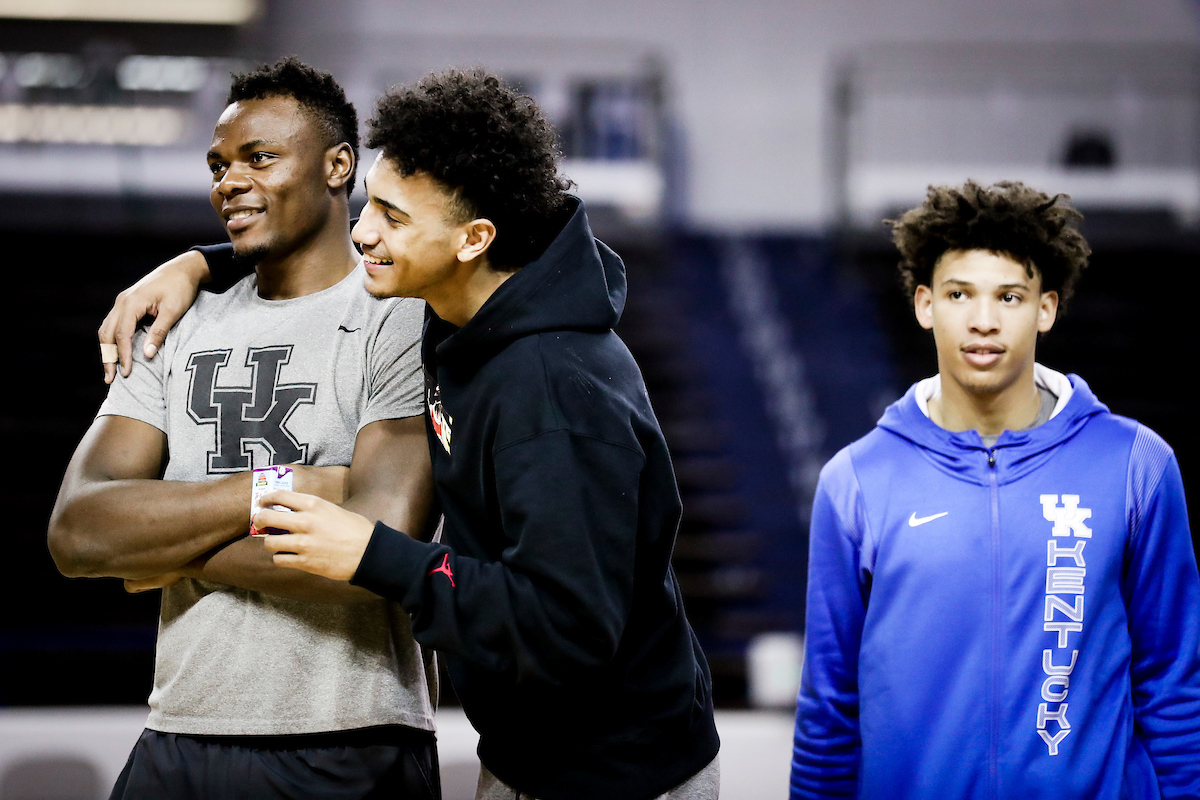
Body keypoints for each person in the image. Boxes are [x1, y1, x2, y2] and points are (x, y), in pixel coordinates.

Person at [98, 68, 720, 800]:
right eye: (367, 205)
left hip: (621, 774)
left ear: (473, 239)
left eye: (392, 217)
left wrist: (379, 557)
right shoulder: (458, 310)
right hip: (530, 756)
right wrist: (202, 262)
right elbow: (320, 250)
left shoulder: (555, 390)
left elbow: (566, 630)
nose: (364, 231)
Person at [50, 57, 440, 799]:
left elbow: (380, 552)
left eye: (259, 158)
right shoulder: (170, 324)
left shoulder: (403, 317)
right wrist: (283, 488)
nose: (229, 181)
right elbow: (77, 532)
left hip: (350, 740)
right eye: (219, 164)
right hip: (176, 735)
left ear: (337, 166)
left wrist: (163, 553)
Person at [789, 180, 1200, 799]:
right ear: (926, 304)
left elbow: (1174, 686)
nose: (983, 321)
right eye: (960, 294)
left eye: (1010, 296)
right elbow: (829, 708)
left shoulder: (1136, 466)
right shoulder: (855, 482)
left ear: (1046, 308)